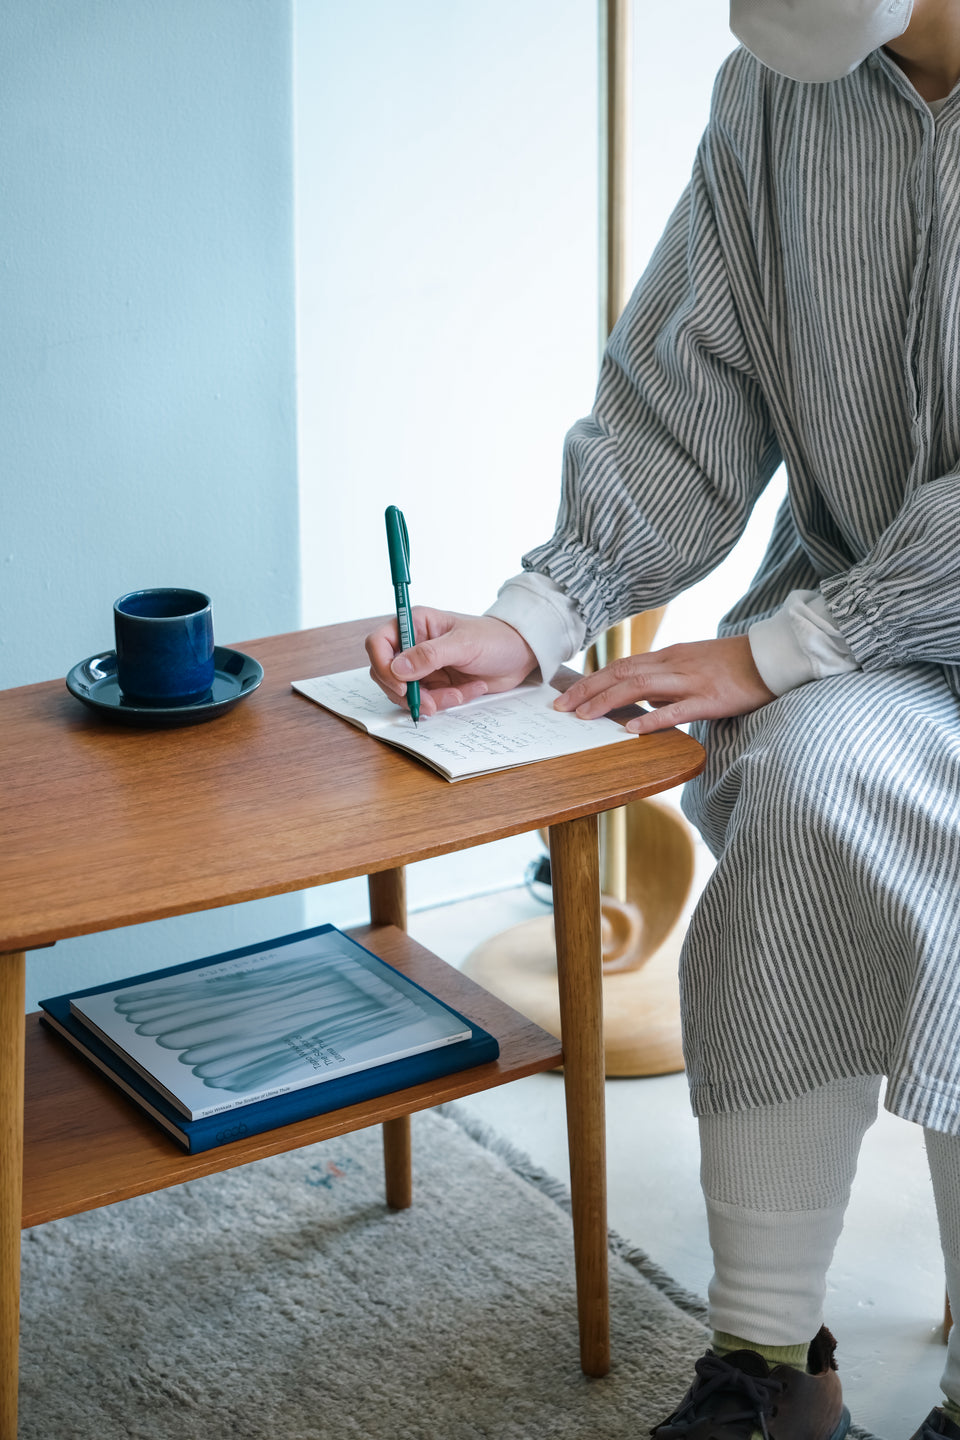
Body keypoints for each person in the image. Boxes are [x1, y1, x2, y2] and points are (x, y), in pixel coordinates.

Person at [366, 2, 960, 1436]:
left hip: (852, 634)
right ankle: (763, 1363)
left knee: (840, 767)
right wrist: (541, 612)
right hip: (867, 656)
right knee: (818, 779)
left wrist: (787, 646)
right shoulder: (775, 95)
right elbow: (682, 399)